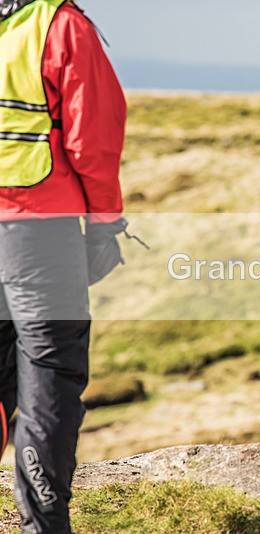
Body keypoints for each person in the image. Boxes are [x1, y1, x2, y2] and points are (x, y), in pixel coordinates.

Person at [0, 0, 126, 531]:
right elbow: (91, 139)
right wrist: (103, 226)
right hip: (38, 228)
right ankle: (43, 521)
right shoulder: (58, 24)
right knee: (49, 373)